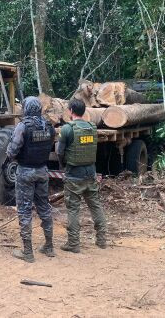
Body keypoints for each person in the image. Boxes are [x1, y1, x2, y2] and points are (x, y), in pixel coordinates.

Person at [6, 96, 56, 262]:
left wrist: (13, 156)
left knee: (24, 210)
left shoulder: (23, 126)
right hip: (43, 171)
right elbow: (51, 145)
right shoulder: (48, 125)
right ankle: (49, 247)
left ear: (26, 108)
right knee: (44, 207)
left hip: (25, 172)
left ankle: (28, 252)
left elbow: (12, 152)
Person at [56, 98, 106, 252]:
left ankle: (73, 244)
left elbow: (59, 152)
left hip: (74, 175)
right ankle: (102, 240)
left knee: (73, 209)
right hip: (90, 173)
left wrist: (64, 163)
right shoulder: (92, 127)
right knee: (96, 206)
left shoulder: (67, 129)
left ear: (71, 111)